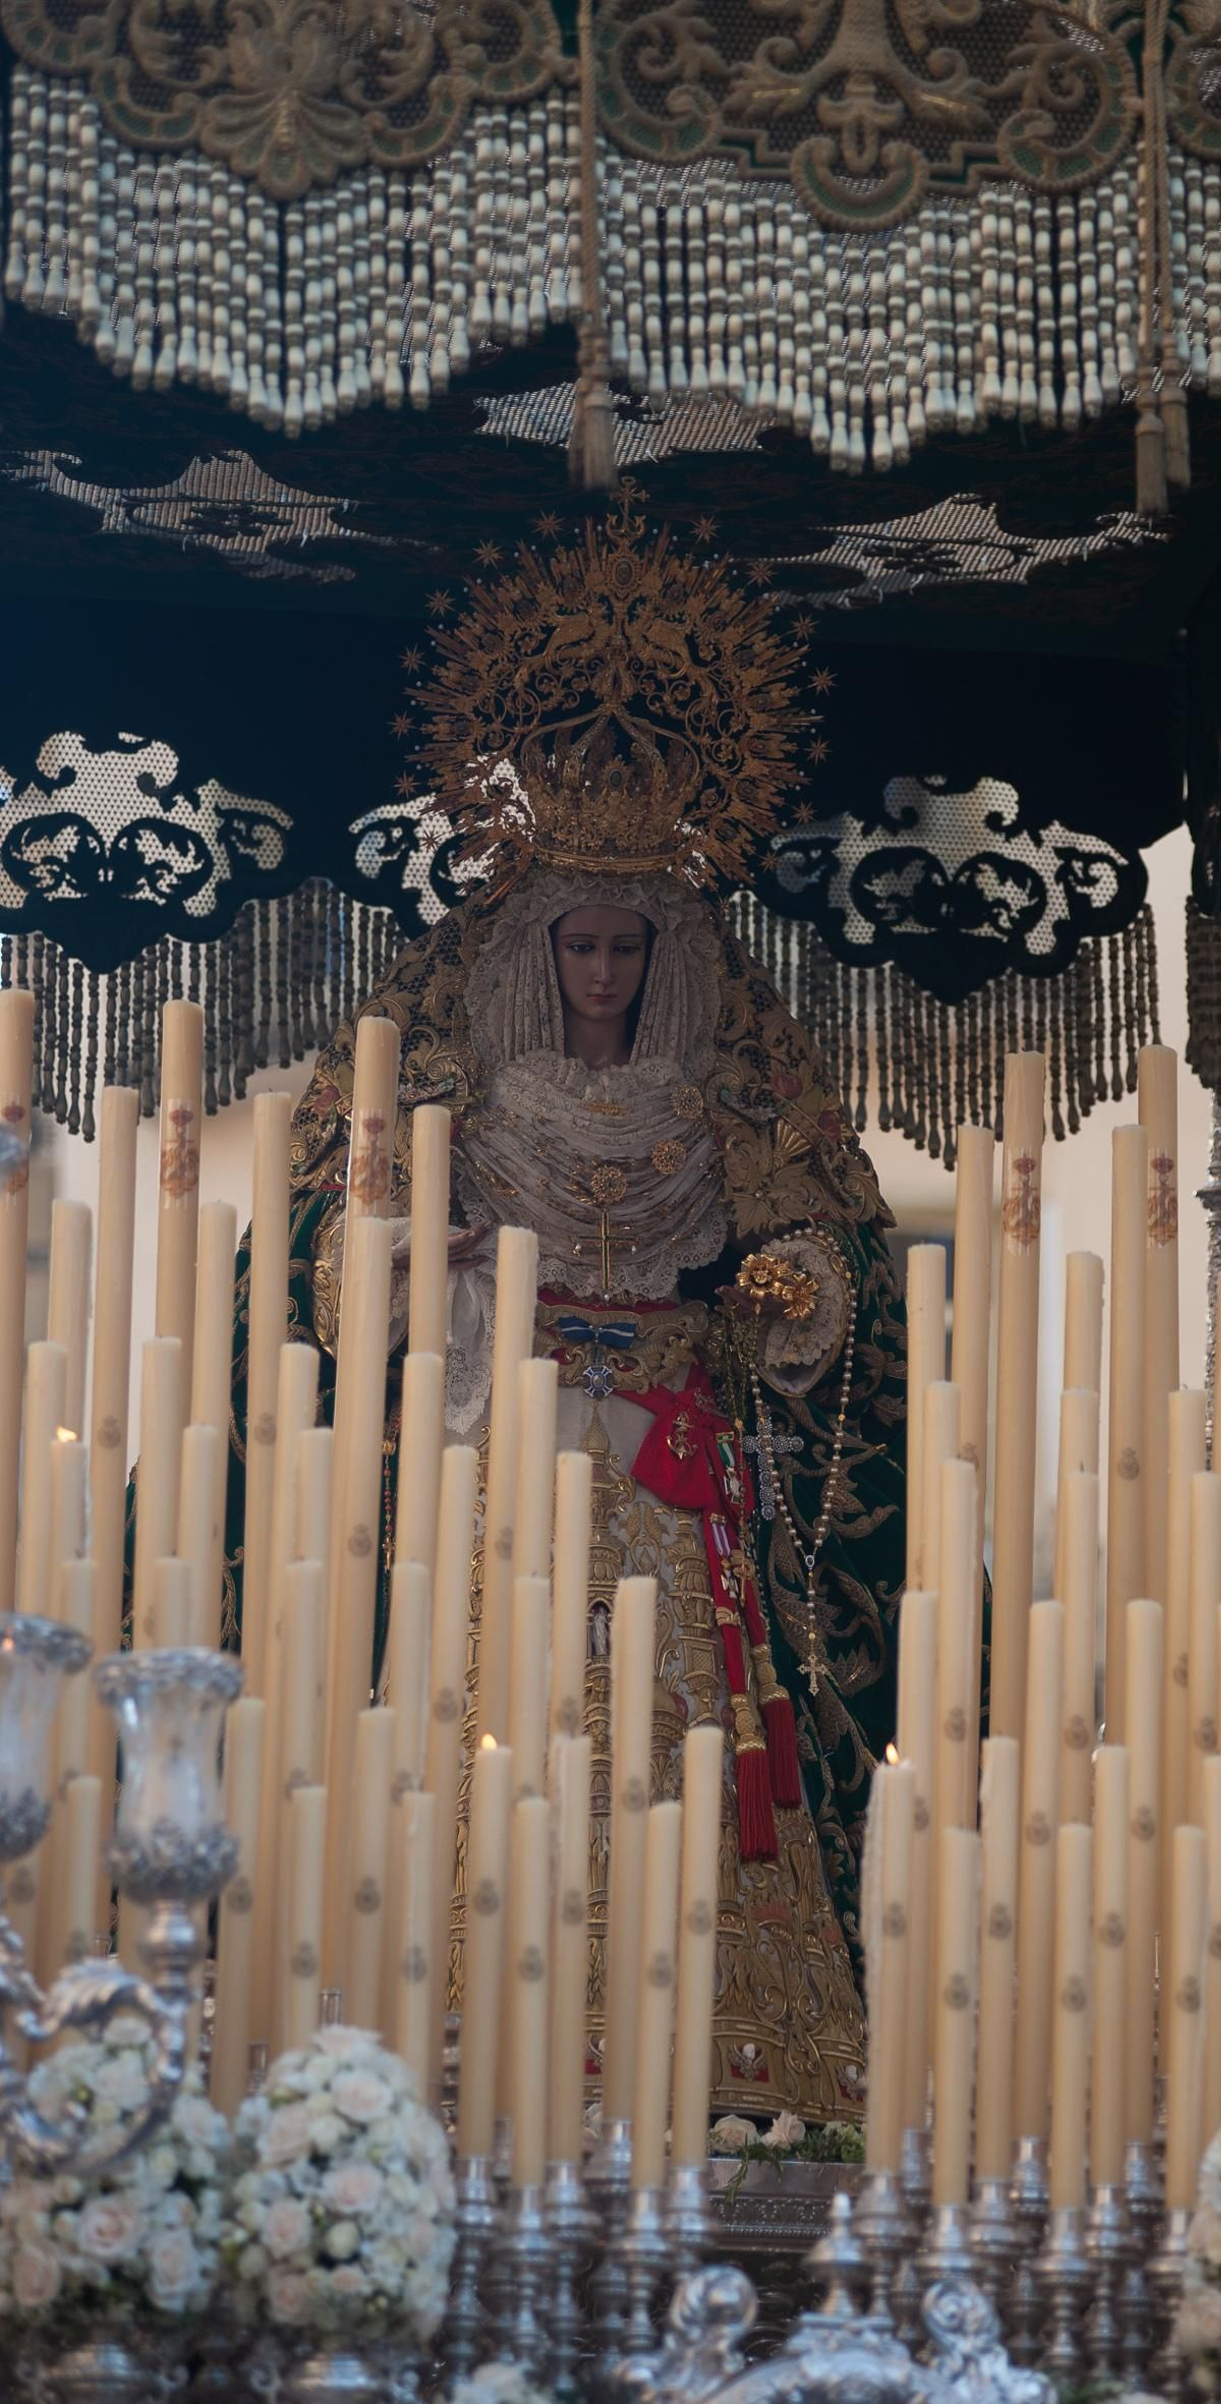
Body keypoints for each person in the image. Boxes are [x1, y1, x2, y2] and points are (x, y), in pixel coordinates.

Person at [266, 497, 908, 2126]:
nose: (606, 974)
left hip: (677, 1455)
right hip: (508, 1439)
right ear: (533, 943)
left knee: (687, 1737)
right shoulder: (449, 1068)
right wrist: (427, 1251)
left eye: (630, 946)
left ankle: (726, 2038)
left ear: (669, 949)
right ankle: (471, 2016)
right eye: (581, 944)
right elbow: (334, 1245)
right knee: (503, 1714)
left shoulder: (728, 1079)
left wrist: (788, 1290)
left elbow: (830, 1241)